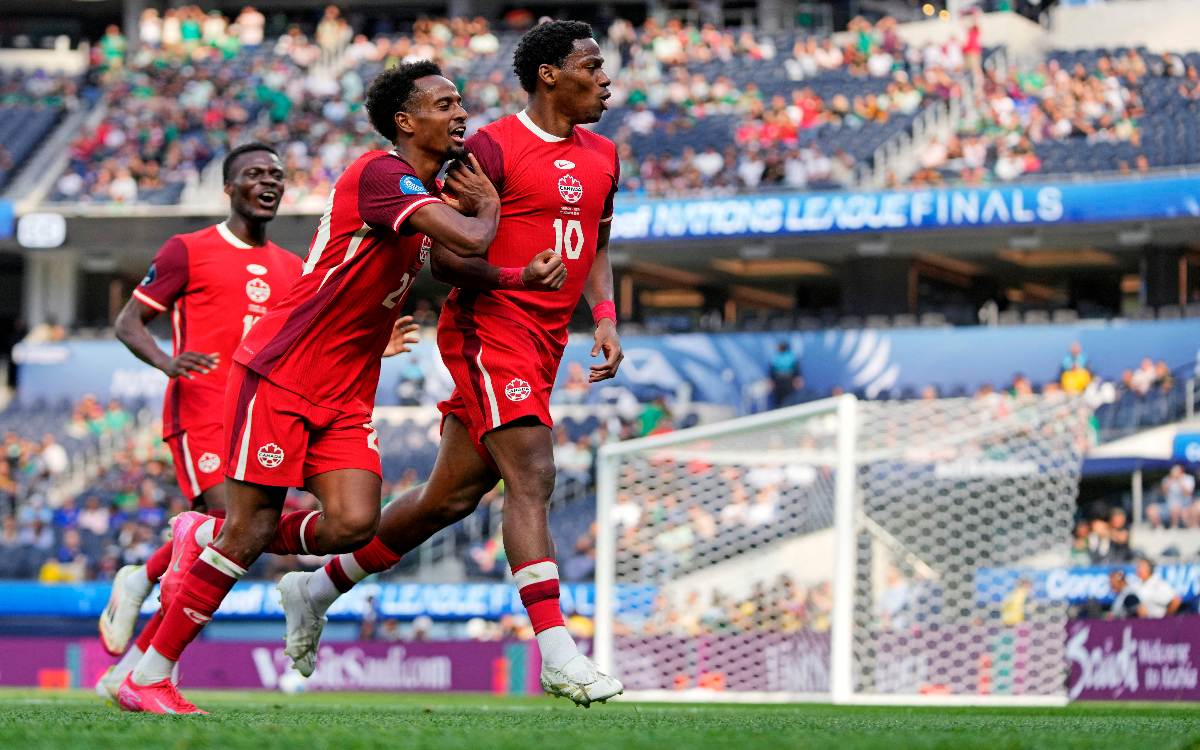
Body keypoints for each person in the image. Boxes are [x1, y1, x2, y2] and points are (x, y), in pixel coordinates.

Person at [116, 61, 501, 715]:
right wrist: (487, 203)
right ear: (406, 122)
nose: (462, 112)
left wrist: (522, 272)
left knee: (352, 523)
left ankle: (202, 536)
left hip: (347, 391)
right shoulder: (381, 176)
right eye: (446, 103)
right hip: (284, 373)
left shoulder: (420, 194)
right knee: (250, 531)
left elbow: (460, 260)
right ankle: (147, 675)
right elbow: (469, 235)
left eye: (461, 101)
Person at [275, 21, 625, 707]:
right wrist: (518, 275)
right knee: (534, 471)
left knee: (449, 500)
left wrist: (605, 318)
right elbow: (447, 256)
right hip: (490, 328)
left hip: (548, 341)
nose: (606, 78)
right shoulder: (488, 148)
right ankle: (558, 652)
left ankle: (312, 587)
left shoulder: (605, 155)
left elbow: (598, 241)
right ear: (550, 75)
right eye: (593, 64)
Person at [97, 143, 304, 691]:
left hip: (256, 421)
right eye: (254, 173)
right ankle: (142, 609)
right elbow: (129, 322)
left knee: (219, 548)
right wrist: (168, 362)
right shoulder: (189, 249)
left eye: (277, 174)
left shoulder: (293, 268)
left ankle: (132, 650)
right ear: (229, 188)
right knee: (230, 526)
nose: (269, 181)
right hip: (202, 411)